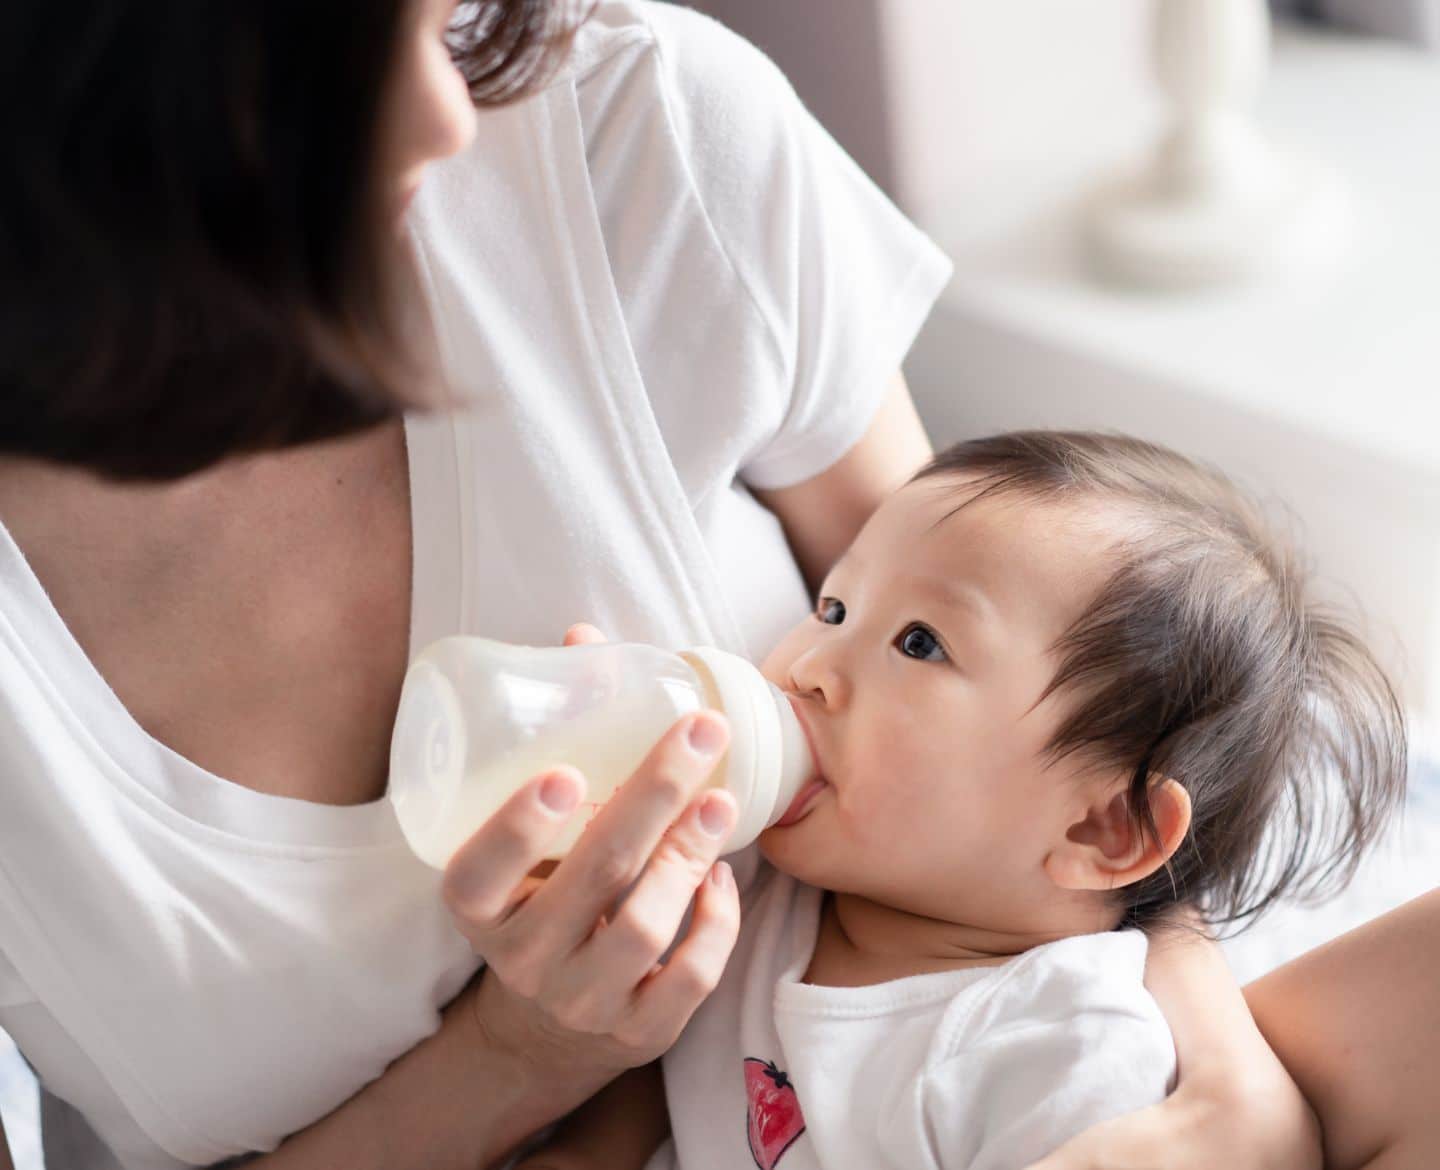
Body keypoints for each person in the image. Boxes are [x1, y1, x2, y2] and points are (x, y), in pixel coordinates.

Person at [0, 1, 1395, 1168]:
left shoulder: (1035, 1038)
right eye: (832, 606)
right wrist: (522, 1053)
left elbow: (1067, 650)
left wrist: (1217, 1070)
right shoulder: (776, 913)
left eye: (904, 638)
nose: (447, 109)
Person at [505, 431, 1405, 1170]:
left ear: (1101, 826)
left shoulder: (1063, 1052)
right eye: (833, 609)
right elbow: (644, 1082)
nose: (809, 671)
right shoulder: (767, 897)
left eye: (919, 643)